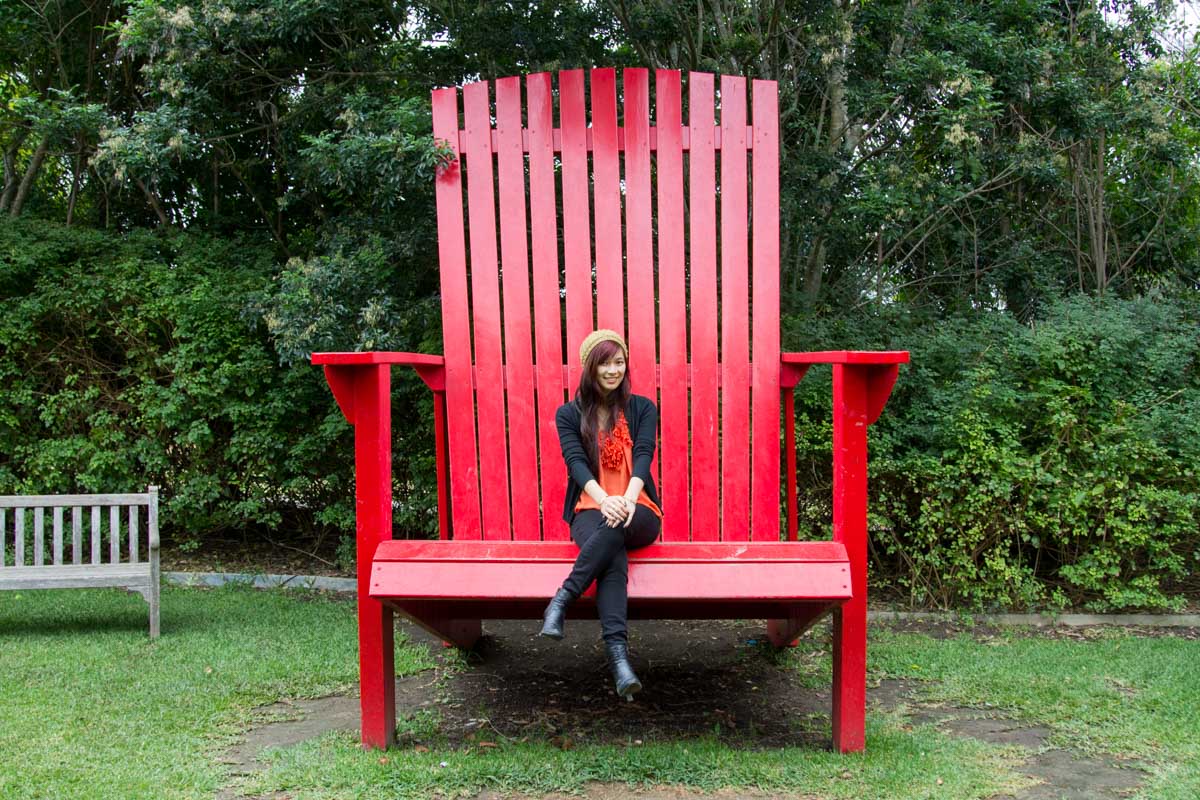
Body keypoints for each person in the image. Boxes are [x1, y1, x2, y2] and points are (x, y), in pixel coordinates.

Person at [539, 329, 663, 700]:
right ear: (590, 368)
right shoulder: (569, 414)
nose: (613, 370)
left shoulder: (643, 408)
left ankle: (562, 598)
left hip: (637, 505)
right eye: (605, 363)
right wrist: (603, 500)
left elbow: (644, 453)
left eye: (619, 362)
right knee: (612, 551)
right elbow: (575, 463)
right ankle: (620, 661)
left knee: (615, 529)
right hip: (590, 507)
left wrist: (625, 498)